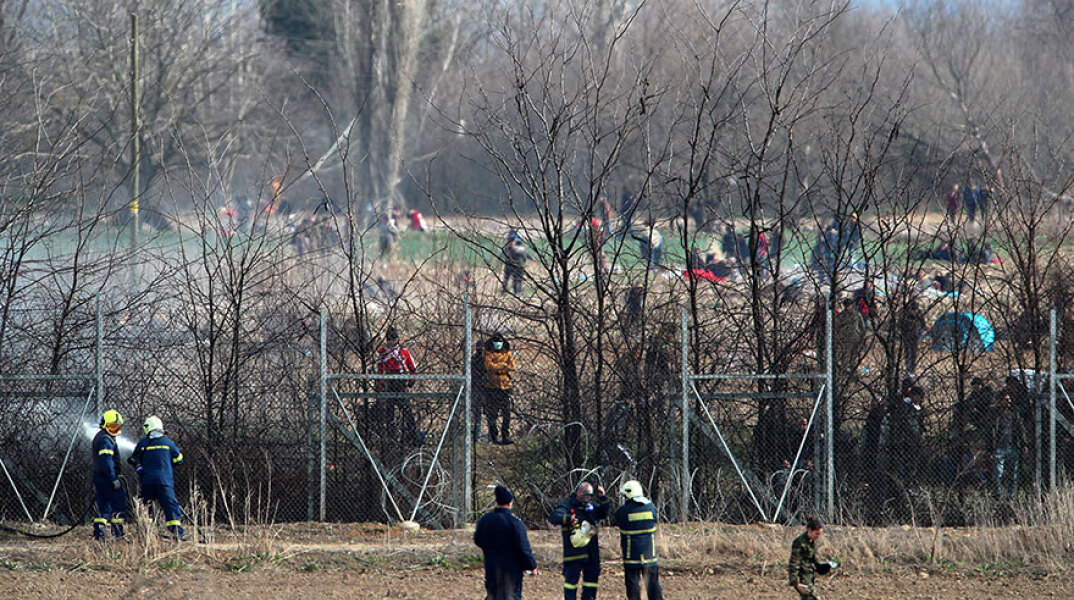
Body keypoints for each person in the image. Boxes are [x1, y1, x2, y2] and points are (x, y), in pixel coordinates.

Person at [474, 485, 538, 600]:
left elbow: (477, 540)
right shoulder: (514, 523)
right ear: (510, 503)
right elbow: (523, 547)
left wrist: (490, 551)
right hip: (511, 571)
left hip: (491, 568)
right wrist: (531, 566)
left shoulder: (485, 520)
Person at [549, 482, 611, 600]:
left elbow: (604, 513)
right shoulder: (568, 505)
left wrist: (603, 498)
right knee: (571, 584)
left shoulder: (591, 507)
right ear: (578, 493)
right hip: (574, 553)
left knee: (591, 583)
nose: (587, 498)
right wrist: (568, 518)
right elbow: (554, 516)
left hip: (591, 554)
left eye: (590, 496)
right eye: (585, 495)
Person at [128, 416, 184, 540]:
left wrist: (138, 466)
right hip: (164, 481)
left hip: (147, 481)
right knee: (170, 506)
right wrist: (168, 463)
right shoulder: (168, 443)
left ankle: (146, 533)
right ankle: (177, 534)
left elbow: (134, 459)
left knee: (146, 506)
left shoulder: (143, 444)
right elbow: (179, 459)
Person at [613, 480, 663, 600]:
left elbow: (616, 520)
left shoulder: (623, 512)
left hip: (632, 556)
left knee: (633, 586)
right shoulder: (651, 507)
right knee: (653, 586)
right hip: (649, 555)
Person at [375, 327, 421, 445]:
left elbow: (413, 370)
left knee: (407, 412)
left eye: (393, 339)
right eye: (389, 339)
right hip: (388, 385)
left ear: (397, 339)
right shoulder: (382, 352)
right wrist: (380, 387)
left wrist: (410, 385)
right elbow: (379, 371)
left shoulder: (404, 352)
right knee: (389, 413)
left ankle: (412, 436)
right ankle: (390, 439)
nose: (390, 342)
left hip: (401, 384)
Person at [91, 410, 127, 542]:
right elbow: (106, 461)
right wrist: (113, 479)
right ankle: (118, 534)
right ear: (105, 425)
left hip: (102, 477)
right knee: (118, 503)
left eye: (117, 426)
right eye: (112, 426)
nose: (115, 429)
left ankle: (100, 535)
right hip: (107, 478)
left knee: (103, 505)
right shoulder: (105, 440)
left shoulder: (103, 437)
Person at [788, 516, 833, 600]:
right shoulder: (799, 542)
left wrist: (819, 568)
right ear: (809, 530)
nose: (818, 536)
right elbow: (794, 563)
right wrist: (796, 583)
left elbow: (810, 559)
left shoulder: (811, 541)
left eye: (820, 534)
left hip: (809, 576)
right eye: (816, 533)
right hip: (802, 578)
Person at [483, 333, 516, 445]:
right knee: (493, 414)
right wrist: (503, 366)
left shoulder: (507, 353)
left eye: (500, 341)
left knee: (506, 412)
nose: (498, 344)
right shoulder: (488, 353)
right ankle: (494, 436)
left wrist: (498, 368)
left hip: (505, 386)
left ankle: (505, 435)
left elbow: (512, 366)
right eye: (496, 341)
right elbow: (489, 367)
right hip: (492, 387)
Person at [992, 392, 1025, 499]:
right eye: (1005, 400)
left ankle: (1011, 495)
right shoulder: (995, 415)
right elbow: (990, 432)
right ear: (999, 401)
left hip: (1012, 446)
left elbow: (1020, 429)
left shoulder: (1014, 414)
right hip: (999, 447)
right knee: (998, 473)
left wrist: (1023, 443)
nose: (1008, 402)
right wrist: (990, 449)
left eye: (1009, 400)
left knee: (1013, 473)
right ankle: (997, 494)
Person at [897, 299, 926, 373]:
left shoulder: (919, 313)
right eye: (912, 309)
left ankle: (912, 368)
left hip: (915, 335)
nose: (913, 312)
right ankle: (907, 366)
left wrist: (923, 329)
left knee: (913, 352)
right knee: (907, 351)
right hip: (906, 335)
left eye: (915, 310)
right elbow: (899, 324)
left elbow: (923, 323)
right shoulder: (904, 314)